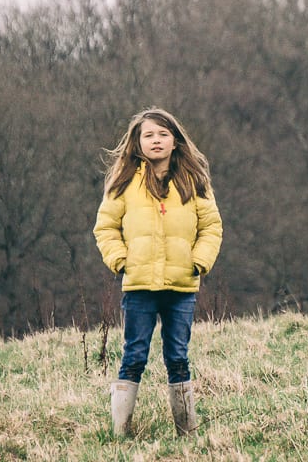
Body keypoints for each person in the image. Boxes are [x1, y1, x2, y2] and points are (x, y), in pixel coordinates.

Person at [93, 107, 222, 437]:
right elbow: (105, 227)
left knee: (178, 357)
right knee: (134, 356)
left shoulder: (194, 182)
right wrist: (121, 261)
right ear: (137, 143)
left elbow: (211, 227)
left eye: (163, 134)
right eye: (148, 135)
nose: (156, 140)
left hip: (182, 286)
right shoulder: (122, 184)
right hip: (139, 286)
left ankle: (187, 432)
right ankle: (121, 433)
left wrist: (199, 262)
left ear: (176, 142)